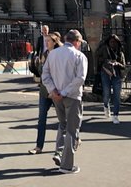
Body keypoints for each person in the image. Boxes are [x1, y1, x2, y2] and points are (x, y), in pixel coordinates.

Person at [41, 29, 88, 174]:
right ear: (77, 41)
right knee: (72, 131)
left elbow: (45, 74)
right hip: (72, 96)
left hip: (56, 96)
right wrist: (65, 92)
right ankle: (67, 165)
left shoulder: (53, 54)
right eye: (80, 42)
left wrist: (53, 90)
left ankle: (59, 153)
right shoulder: (79, 56)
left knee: (62, 125)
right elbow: (80, 78)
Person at [29, 32, 63, 155]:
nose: (46, 43)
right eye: (45, 40)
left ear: (55, 42)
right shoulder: (44, 54)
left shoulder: (60, 55)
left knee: (63, 119)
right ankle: (38, 146)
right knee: (41, 119)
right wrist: (40, 63)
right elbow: (41, 72)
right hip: (44, 91)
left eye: (48, 41)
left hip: (57, 91)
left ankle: (74, 138)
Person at [95, 34, 126, 124]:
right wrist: (105, 61)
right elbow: (97, 57)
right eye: (111, 42)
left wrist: (117, 63)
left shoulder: (120, 52)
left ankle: (115, 115)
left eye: (114, 42)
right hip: (105, 72)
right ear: (108, 42)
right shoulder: (104, 49)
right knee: (106, 92)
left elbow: (123, 65)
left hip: (117, 74)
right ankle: (106, 105)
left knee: (117, 95)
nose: (113, 44)